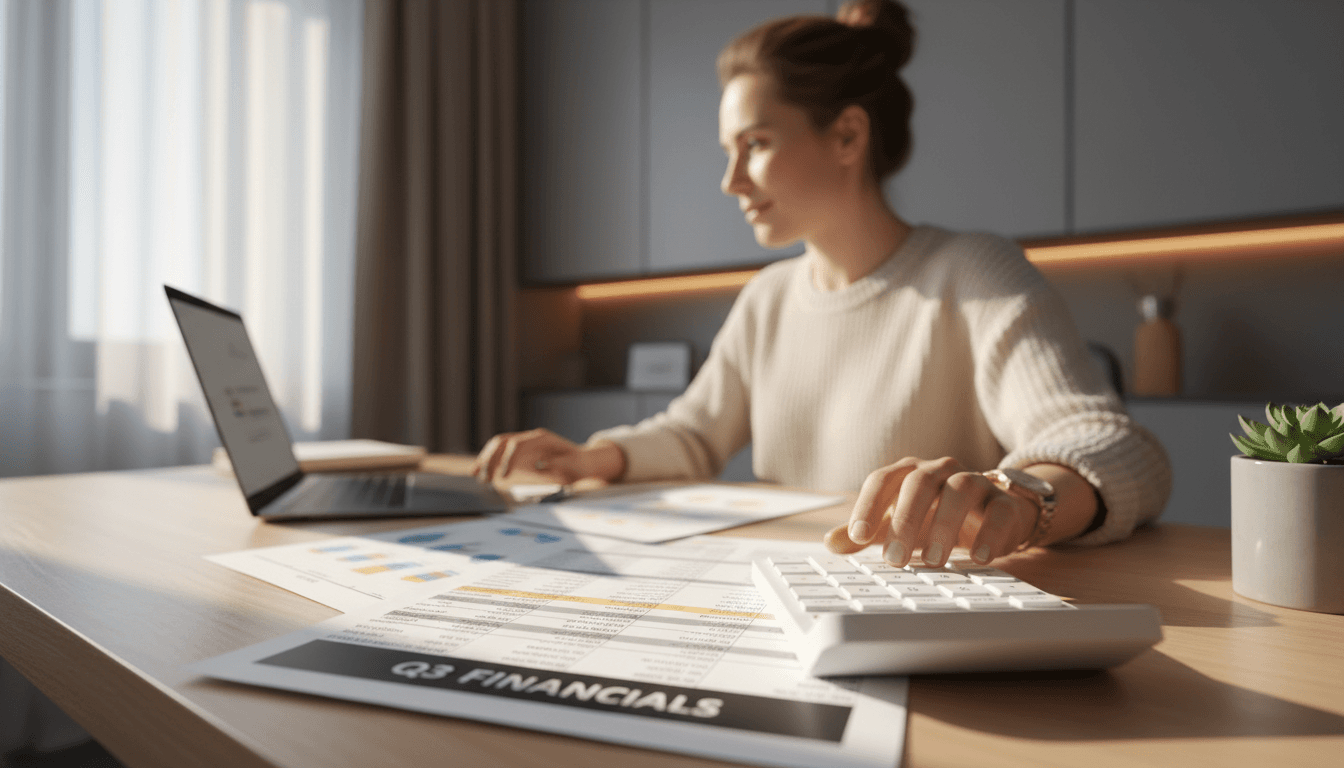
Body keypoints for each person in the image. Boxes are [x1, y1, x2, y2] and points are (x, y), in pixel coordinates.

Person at [474, 0, 1171, 568]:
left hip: (914, 599)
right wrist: (591, 456)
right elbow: (693, 434)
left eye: (755, 144)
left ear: (846, 136)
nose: (731, 181)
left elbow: (1110, 444)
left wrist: (1021, 500)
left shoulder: (974, 274)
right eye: (728, 152)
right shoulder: (768, 298)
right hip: (785, 586)